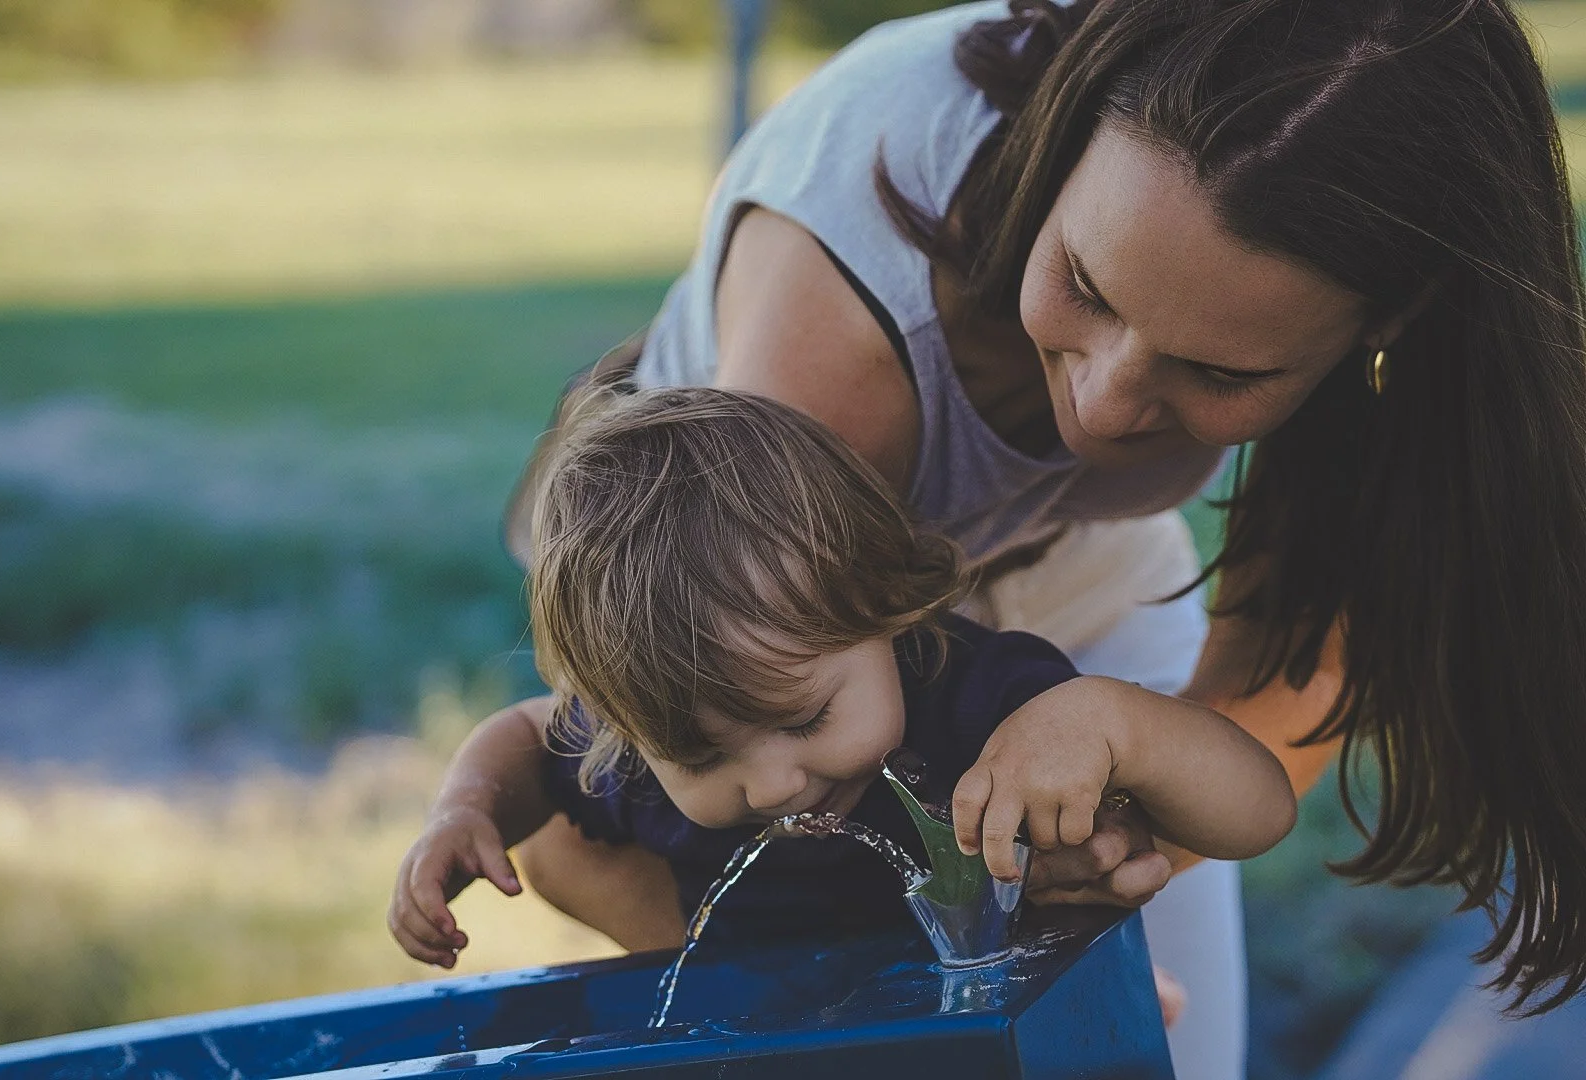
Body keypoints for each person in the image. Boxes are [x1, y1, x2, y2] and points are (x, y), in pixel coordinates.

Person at [497, 2, 1586, 1077]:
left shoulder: (1342, 235)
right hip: (750, 639)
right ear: (1068, 136)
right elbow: (765, 808)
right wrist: (962, 998)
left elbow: (1289, 668)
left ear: (1388, 321)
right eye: (1085, 285)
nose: (1105, 411)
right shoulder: (830, 371)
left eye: (1219, 372)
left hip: (1069, 574)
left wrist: (1096, 889)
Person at [387, 386, 1296, 961]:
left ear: (884, 603)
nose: (774, 781)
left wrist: (1115, 723)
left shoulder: (989, 703)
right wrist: (466, 811)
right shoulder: (654, 729)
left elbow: (1259, 810)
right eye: (701, 761)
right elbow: (527, 733)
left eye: (808, 718)